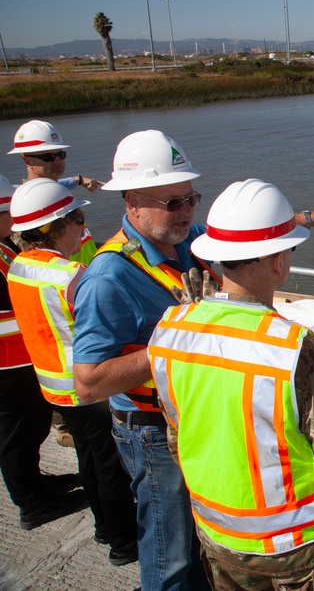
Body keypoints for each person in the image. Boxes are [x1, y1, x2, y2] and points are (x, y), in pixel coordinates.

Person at [72, 129, 314, 591]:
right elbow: (87, 382)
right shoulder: (107, 278)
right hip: (152, 426)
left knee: (209, 532)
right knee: (169, 550)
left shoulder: (187, 238)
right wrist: (182, 347)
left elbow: (249, 233)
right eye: (172, 202)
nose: (187, 211)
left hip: (203, 414)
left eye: (191, 198)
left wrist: (313, 217)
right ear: (131, 202)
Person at [147, 178, 314, 590]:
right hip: (301, 547)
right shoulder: (300, 352)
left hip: (218, 536)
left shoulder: (169, 332)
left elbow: (177, 434)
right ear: (278, 262)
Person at [6, 178, 138, 563]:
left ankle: (102, 528)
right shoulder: (70, 276)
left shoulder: (18, 267)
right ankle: (124, 543)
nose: (83, 227)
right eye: (77, 218)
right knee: (111, 466)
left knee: (89, 458)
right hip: (88, 387)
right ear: (55, 228)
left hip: (53, 387)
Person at [0, 174, 84, 530]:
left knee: (31, 429)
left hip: (23, 359)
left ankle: (35, 484)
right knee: (15, 435)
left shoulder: (6, 247)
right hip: (8, 363)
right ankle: (32, 503)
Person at [9, 119, 103, 265]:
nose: (57, 161)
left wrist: (77, 180)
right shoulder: (26, 207)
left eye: (60, 154)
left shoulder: (58, 193)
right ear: (27, 161)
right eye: (48, 157)